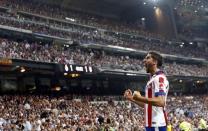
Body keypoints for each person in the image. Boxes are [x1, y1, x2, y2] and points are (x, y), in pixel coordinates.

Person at [124, 51, 169, 131]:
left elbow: (161, 102)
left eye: (148, 58)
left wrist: (140, 97)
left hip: (157, 124)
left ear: (155, 62)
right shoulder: (152, 79)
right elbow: (147, 105)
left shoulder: (159, 78)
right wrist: (133, 99)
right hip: (151, 124)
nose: (144, 60)